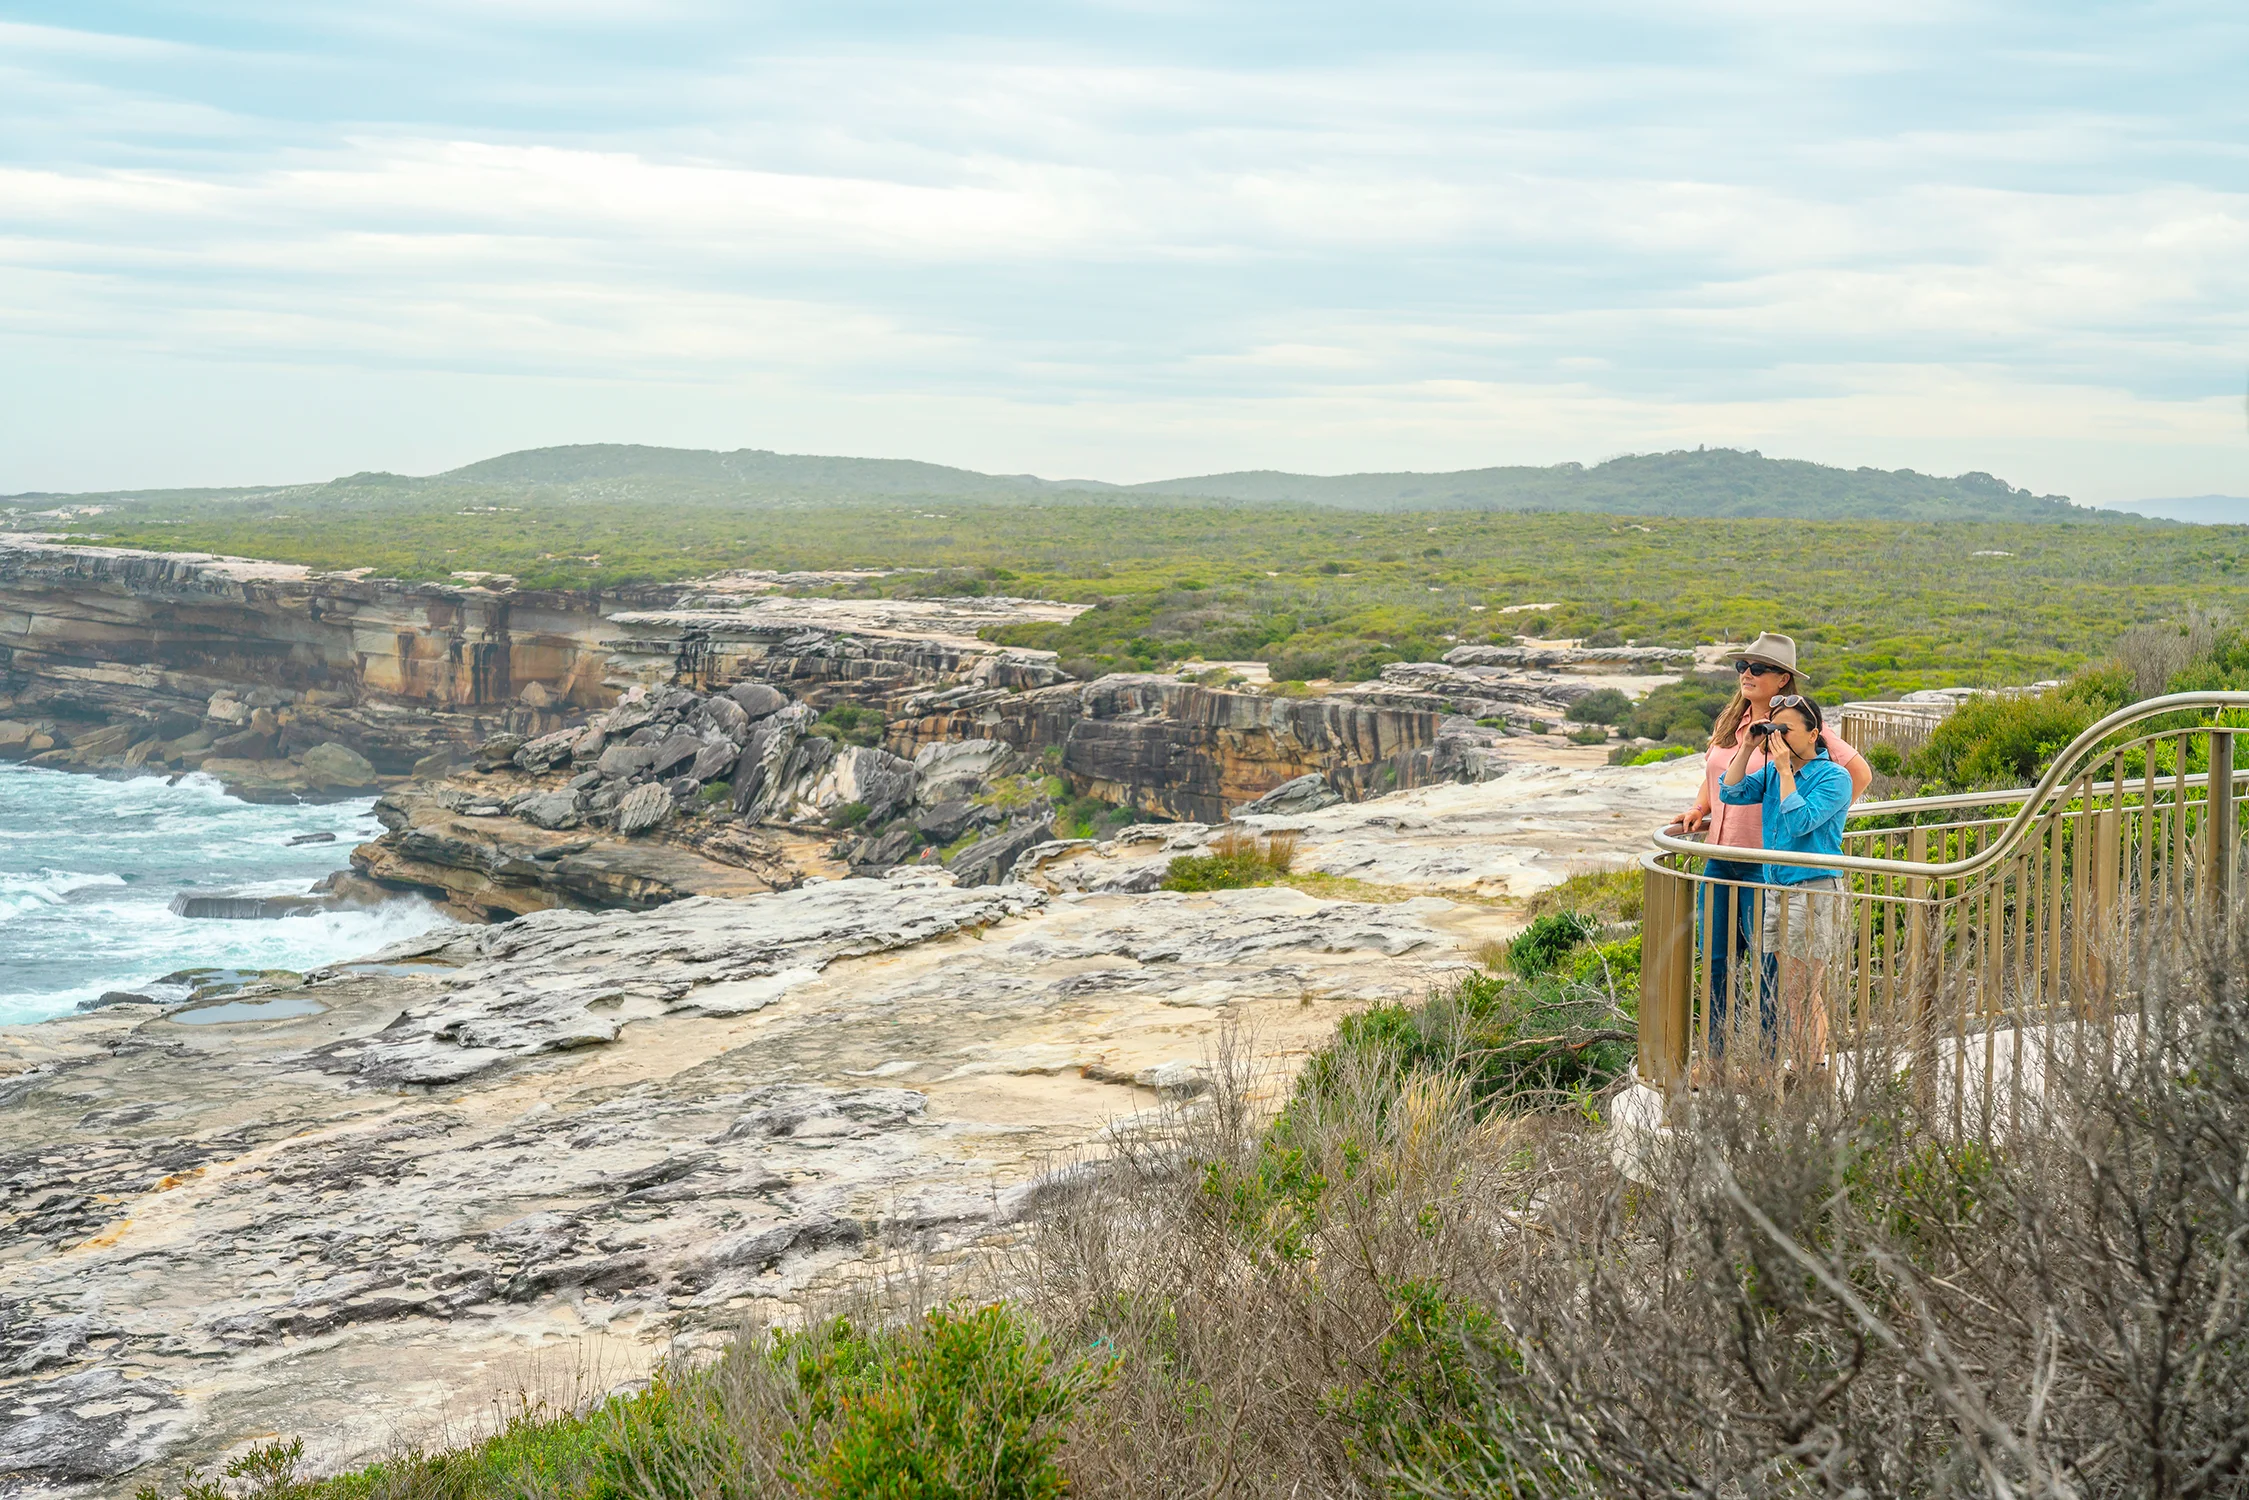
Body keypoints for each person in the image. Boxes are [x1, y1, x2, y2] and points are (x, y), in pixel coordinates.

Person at [1665, 632, 1869, 1058]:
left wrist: (1811, 823)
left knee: (1771, 972)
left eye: (1758, 668)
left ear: (1783, 680)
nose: (1747, 675)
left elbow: (1857, 774)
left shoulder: (1804, 724)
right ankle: (1717, 1059)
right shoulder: (1733, 723)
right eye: (1743, 666)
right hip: (1720, 855)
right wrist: (1700, 807)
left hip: (1769, 863)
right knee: (1716, 963)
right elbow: (1719, 779)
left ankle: (1768, 1061)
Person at [1716, 694, 1851, 1074]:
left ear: (1814, 734)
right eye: (1774, 729)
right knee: (1792, 990)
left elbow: (1799, 823)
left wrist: (1787, 773)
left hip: (1812, 890)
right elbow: (1730, 792)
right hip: (1777, 889)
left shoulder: (1833, 778)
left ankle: (1814, 1070)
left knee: (1803, 990)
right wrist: (1746, 747)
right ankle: (1808, 1066)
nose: (1779, 738)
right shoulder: (1775, 772)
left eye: (1786, 730)